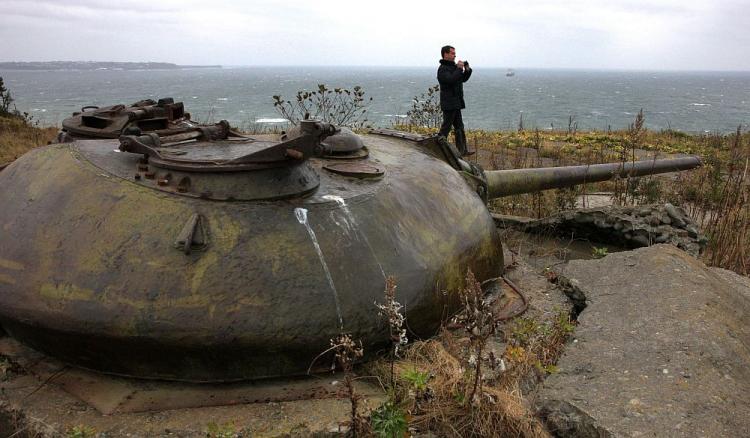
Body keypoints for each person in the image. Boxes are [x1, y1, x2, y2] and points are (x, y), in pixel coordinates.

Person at [437, 45, 473, 156]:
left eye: (454, 53)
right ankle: (437, 148)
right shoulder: (442, 69)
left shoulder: (453, 67)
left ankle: (462, 151)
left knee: (459, 127)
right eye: (452, 53)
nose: (455, 55)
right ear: (445, 54)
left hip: (456, 102)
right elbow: (451, 80)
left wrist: (467, 70)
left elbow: (462, 79)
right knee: (446, 127)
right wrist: (458, 69)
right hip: (449, 103)